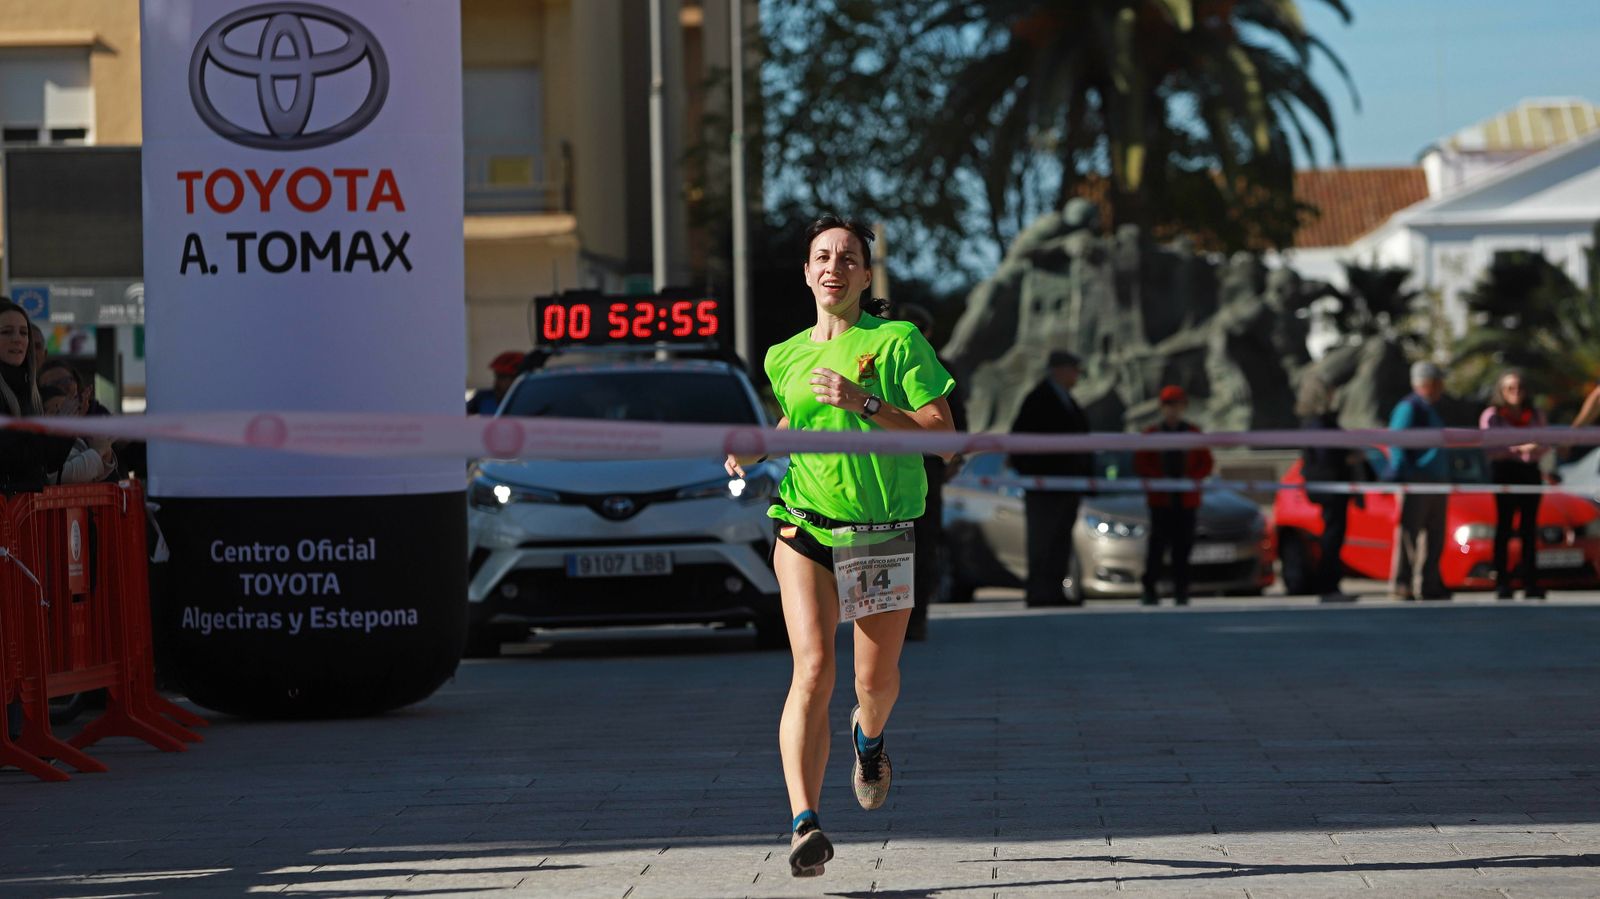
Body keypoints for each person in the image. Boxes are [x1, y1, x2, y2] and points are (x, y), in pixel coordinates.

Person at [723, 214, 955, 878]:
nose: (833, 267)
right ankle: (804, 823)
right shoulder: (784, 354)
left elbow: (942, 435)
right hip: (804, 524)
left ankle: (870, 737)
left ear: (864, 274)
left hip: (880, 533)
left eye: (847, 258)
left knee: (871, 683)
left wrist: (866, 401)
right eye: (821, 256)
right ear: (806, 271)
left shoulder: (898, 341)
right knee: (813, 670)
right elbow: (797, 417)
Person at [896, 303, 965, 640]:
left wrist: (955, 459)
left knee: (922, 546)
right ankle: (895, 618)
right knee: (895, 545)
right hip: (892, 466)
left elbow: (957, 422)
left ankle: (916, 617)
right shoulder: (882, 363)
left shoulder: (941, 369)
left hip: (928, 466)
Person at [1010, 350, 1092, 606]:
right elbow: (1019, 440)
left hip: (1067, 484)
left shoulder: (1068, 400)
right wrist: (1034, 473)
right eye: (1074, 369)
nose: (1077, 375)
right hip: (1045, 485)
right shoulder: (1038, 399)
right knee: (1042, 540)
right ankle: (1038, 592)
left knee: (1059, 540)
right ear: (1059, 370)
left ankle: (1054, 590)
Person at [1133, 386, 1213, 606]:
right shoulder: (1151, 435)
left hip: (1186, 501)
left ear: (1184, 407)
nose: (1173, 410)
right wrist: (1161, 480)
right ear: (1162, 407)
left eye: (1177, 404)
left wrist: (1190, 480)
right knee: (1156, 549)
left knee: (1183, 548)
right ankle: (1150, 590)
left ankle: (1181, 591)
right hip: (1161, 501)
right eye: (1169, 405)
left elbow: (1205, 463)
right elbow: (1142, 463)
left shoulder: (1193, 434)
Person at [1480, 371, 1549, 600]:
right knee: (1505, 527)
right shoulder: (1493, 415)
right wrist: (1519, 448)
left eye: (1519, 387)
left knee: (1529, 529)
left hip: (1530, 473)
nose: (1515, 392)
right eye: (1510, 388)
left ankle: (1530, 582)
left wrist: (1530, 448)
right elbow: (1491, 448)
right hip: (1505, 472)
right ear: (1501, 391)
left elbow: (1545, 443)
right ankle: (1502, 582)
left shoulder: (1534, 414)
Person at [1388, 361, 1452, 601]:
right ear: (1428, 383)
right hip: (1417, 480)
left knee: (1434, 535)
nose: (1442, 387)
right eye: (1438, 381)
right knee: (1409, 535)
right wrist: (1403, 475)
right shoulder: (1409, 407)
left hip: (1437, 480)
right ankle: (1401, 583)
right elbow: (1396, 441)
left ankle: (1429, 582)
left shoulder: (1431, 409)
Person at [1297, 377, 1362, 601]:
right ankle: (1328, 586)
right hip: (1331, 485)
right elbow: (1325, 455)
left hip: (1329, 484)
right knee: (1332, 535)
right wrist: (1348, 457)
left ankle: (1329, 585)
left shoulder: (1316, 421)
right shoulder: (1320, 422)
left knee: (1333, 534)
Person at [0, 298, 73, 492]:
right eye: (6, 332)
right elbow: (12, 455)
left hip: (27, 513)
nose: (17, 339)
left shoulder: (29, 391)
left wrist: (66, 426)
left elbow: (48, 464)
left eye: (24, 333)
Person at [40, 382, 116, 484]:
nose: (66, 417)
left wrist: (106, 454)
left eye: (70, 410)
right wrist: (98, 452)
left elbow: (96, 474)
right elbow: (64, 476)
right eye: (56, 412)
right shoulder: (44, 447)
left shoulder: (79, 440)